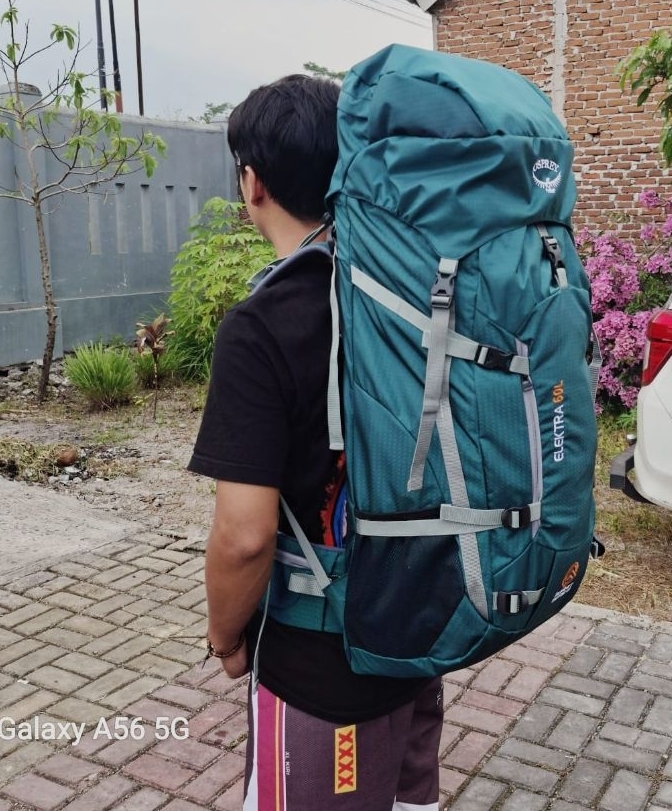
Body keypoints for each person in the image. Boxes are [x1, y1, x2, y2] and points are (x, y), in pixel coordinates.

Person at [189, 74, 444, 811]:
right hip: (420, 632)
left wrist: (225, 636)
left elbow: (244, 537)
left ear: (252, 182)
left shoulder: (262, 325)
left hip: (320, 673)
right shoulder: (411, 294)